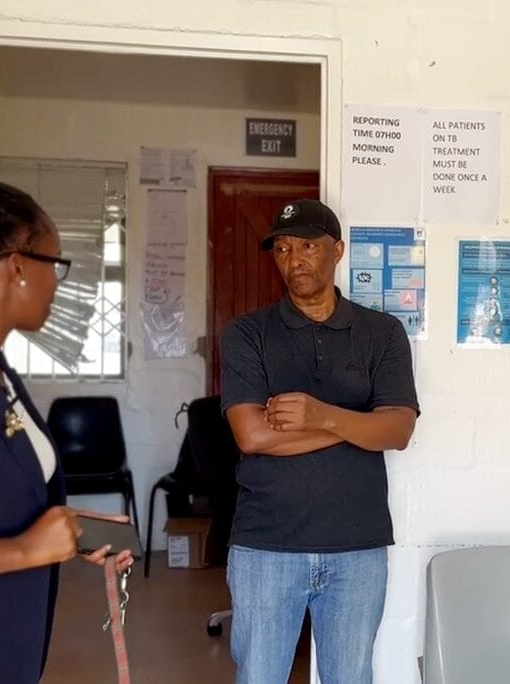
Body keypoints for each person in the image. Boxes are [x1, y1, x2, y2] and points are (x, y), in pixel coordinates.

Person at [0, 172, 133, 683]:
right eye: (55, 265)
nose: (57, 285)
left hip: (1, 654)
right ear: (17, 266)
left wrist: (60, 539)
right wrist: (26, 549)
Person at [221, 198, 419, 684]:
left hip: (357, 547)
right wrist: (355, 427)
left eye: (308, 245)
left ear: (338, 251)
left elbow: (398, 430)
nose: (294, 259)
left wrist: (318, 416)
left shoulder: (382, 333)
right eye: (283, 248)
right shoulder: (247, 334)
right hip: (266, 547)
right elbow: (251, 435)